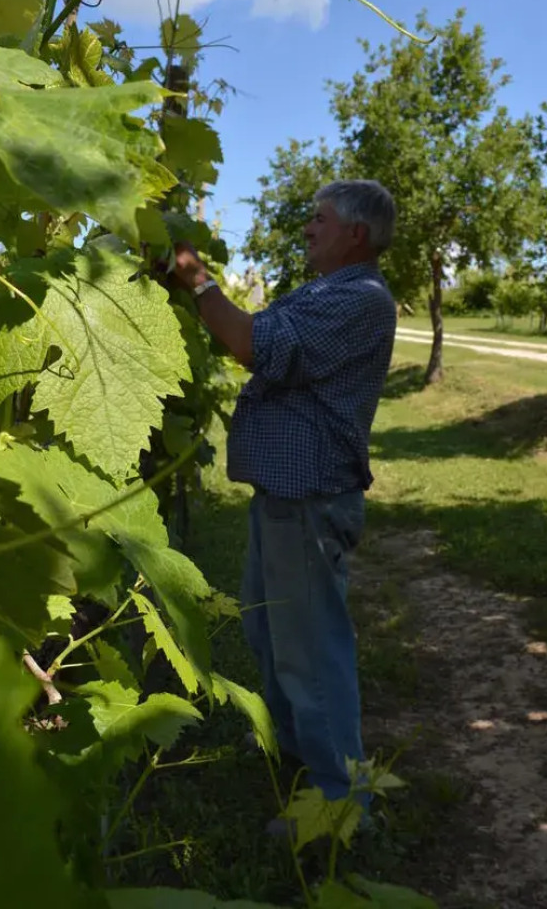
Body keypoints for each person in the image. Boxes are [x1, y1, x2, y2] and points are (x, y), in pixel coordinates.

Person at [173, 179, 397, 806]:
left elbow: (251, 344)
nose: (307, 228)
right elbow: (251, 329)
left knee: (310, 652)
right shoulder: (331, 289)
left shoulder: (364, 298)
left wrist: (196, 278)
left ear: (356, 233)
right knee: (270, 632)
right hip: (285, 493)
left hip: (309, 496)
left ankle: (339, 802)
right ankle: (299, 747)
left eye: (318, 219)